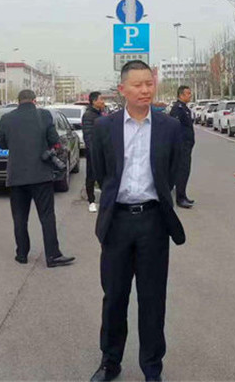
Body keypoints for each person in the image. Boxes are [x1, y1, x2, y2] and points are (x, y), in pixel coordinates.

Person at [88, 60, 185, 382]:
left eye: (149, 83)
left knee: (153, 299)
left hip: (153, 221)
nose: (145, 90)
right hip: (117, 222)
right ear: (122, 89)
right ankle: (110, 361)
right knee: (114, 297)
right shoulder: (105, 127)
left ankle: (152, 367)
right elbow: (101, 172)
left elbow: (174, 170)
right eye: (137, 85)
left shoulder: (169, 127)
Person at [0, 89, 75, 268]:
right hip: (41, 175)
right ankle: (53, 256)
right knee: (47, 216)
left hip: (16, 177)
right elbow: (54, 140)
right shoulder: (44, 115)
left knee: (19, 217)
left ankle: (22, 254)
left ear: (18, 101)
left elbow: (2, 144)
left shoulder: (6, 118)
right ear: (34, 101)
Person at [168, 85, 195, 208]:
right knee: (182, 172)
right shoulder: (177, 109)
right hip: (181, 146)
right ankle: (180, 198)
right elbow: (175, 128)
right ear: (181, 95)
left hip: (187, 146)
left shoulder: (184, 108)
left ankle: (183, 195)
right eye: (188, 93)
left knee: (185, 171)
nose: (190, 95)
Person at [82, 91, 106, 213]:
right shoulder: (88, 116)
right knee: (91, 177)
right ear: (94, 101)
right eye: (101, 99)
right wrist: (94, 153)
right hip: (93, 152)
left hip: (104, 151)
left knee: (105, 176)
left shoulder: (101, 114)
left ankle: (106, 200)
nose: (103, 102)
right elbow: (88, 136)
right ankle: (91, 201)